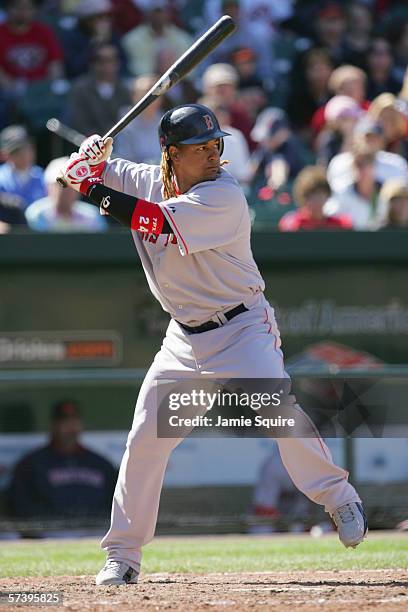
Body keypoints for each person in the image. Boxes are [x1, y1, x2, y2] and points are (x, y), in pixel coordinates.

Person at [58, 102, 368, 586]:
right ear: (170, 153)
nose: (211, 154)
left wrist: (90, 187)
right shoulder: (147, 179)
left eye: (215, 144)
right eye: (199, 148)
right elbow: (88, 174)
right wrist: (87, 159)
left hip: (241, 328)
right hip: (184, 339)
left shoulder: (224, 194)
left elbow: (153, 222)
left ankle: (338, 497)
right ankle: (122, 555)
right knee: (145, 441)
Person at [9, 400, 117, 526]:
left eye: (74, 421)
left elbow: (116, 501)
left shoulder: (101, 464)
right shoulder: (31, 464)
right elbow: (21, 506)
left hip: (94, 529)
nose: (70, 426)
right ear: (53, 425)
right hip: (50, 532)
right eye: (64, 421)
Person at [66, 42, 132, 138]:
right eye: (101, 61)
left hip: (121, 144)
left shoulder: (124, 89)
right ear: (93, 63)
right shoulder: (80, 89)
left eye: (111, 60)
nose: (107, 66)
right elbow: (79, 125)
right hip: (91, 146)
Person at [25, 157, 108, 232]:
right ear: (48, 187)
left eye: (72, 185)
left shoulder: (92, 216)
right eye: (60, 184)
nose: (66, 189)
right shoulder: (35, 215)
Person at [325, 142, 380, 230]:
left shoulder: (385, 193)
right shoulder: (342, 194)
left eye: (367, 163)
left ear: (374, 166)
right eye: (358, 164)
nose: (363, 169)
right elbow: (330, 218)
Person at [279, 166, 352, 231]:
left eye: (320, 194)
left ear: (327, 195)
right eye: (311, 196)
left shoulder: (341, 225)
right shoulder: (293, 224)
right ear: (303, 198)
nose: (316, 200)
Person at [0, 125, 46, 211]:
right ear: (5, 154)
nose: (24, 154)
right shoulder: (1, 178)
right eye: (16, 151)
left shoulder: (42, 177)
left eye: (26, 149)